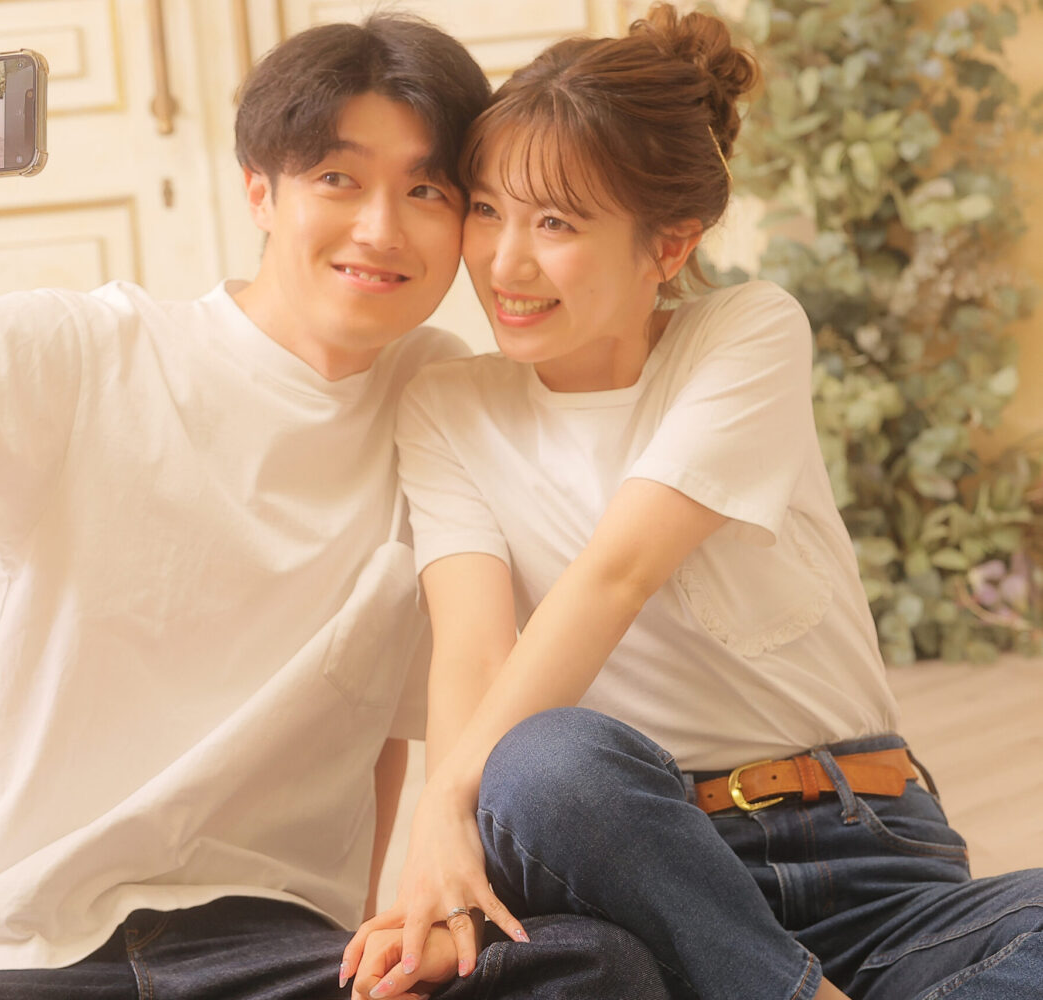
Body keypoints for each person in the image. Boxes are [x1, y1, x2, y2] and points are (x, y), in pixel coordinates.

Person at [0, 16, 667, 1000]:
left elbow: (379, 728)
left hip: (267, 952)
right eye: (338, 178)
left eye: (426, 191)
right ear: (259, 190)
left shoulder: (448, 409)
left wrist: (376, 936)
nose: (380, 228)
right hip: (24, 950)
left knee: (594, 966)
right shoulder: (88, 357)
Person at [341, 5, 1043, 1000]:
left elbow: (619, 572)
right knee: (545, 760)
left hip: (863, 854)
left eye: (556, 222)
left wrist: (443, 801)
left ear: (668, 247)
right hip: (637, 869)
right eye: (488, 209)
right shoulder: (448, 406)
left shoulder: (746, 332)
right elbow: (473, 653)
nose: (504, 262)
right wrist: (447, 858)